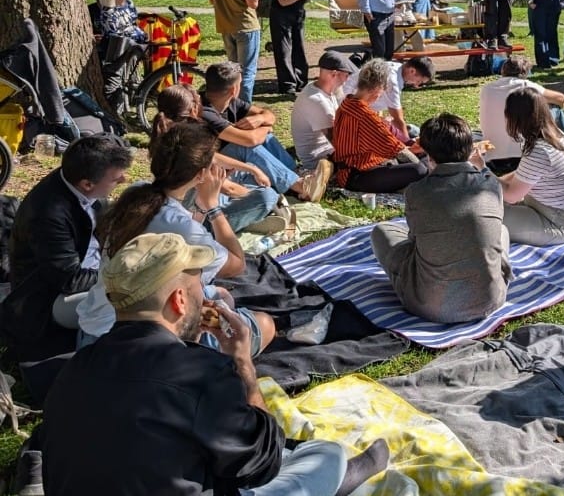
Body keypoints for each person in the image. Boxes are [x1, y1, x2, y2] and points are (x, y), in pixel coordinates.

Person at [39, 232, 390, 495]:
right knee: (324, 455)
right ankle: (338, 477)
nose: (204, 297)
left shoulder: (73, 368)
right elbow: (262, 465)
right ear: (179, 301)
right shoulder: (201, 372)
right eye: (198, 288)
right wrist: (242, 363)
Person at [76, 122, 275, 355]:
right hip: (142, 347)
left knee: (221, 295)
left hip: (93, 328)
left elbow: (183, 226)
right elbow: (237, 265)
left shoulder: (136, 194)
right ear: (201, 174)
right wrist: (213, 207)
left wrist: (201, 207)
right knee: (265, 324)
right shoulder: (179, 225)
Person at [0, 134, 134, 361]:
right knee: (129, 303)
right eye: (115, 179)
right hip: (46, 301)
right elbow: (70, 279)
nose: (123, 180)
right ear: (87, 184)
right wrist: (119, 275)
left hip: (86, 272)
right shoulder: (49, 215)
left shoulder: (79, 180)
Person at [370, 114, 511, 323]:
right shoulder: (491, 185)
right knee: (502, 231)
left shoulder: (417, 192)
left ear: (429, 156)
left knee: (381, 232)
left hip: (429, 306)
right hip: (490, 300)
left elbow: (414, 241)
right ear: (470, 150)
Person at [150, 83, 279, 232]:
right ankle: (243, 217)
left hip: (193, 205)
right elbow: (228, 189)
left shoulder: (168, 137)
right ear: (193, 110)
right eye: (199, 100)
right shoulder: (191, 144)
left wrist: (252, 170)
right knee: (267, 196)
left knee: (245, 171)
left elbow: (214, 158)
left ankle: (246, 215)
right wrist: (265, 199)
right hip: (196, 220)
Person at [200, 61, 332, 201]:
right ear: (234, 89)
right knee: (246, 147)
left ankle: (296, 176)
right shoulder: (204, 112)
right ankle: (302, 187)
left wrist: (261, 119)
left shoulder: (229, 101)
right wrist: (266, 126)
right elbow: (250, 140)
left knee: (265, 138)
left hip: (227, 161)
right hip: (211, 165)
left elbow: (269, 115)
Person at [498, 88, 564, 247]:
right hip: (550, 211)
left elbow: (511, 196)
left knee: (484, 216)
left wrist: (482, 171)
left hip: (556, 223)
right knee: (489, 204)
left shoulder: (540, 151)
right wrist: (496, 180)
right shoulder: (554, 135)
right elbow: (524, 174)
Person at [332, 59, 428, 193]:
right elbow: (397, 150)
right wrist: (423, 167)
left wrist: (410, 144)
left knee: (421, 159)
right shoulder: (365, 115)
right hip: (355, 174)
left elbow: (388, 132)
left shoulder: (348, 101)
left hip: (357, 166)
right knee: (420, 169)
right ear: (378, 89)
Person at [478, 55, 564, 169]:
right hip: (524, 157)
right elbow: (561, 99)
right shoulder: (525, 85)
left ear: (503, 70)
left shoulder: (486, 88)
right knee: (555, 107)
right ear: (525, 72)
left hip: (493, 157)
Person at [208, 0, 261, 103]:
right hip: (246, 26)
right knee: (247, 73)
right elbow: (253, 2)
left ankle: (231, 107)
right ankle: (243, 110)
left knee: (233, 73)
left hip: (226, 26)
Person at [291, 51, 357, 171]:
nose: (346, 80)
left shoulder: (319, 88)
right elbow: (339, 143)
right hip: (319, 161)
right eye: (346, 76)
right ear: (334, 74)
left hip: (326, 151)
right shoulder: (318, 101)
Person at [343, 56, 435, 142]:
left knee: (414, 130)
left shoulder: (396, 68)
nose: (417, 85)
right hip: (354, 116)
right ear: (412, 71)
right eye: (419, 81)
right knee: (414, 132)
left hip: (356, 110)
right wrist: (408, 143)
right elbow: (397, 119)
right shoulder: (393, 81)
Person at [269, 0, 321, 95]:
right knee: (284, 51)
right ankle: (287, 85)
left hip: (298, 17)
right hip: (281, 18)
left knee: (299, 49)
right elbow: (283, 0)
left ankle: (301, 81)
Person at [97, 0, 148, 112]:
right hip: (116, 50)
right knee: (114, 81)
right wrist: (137, 33)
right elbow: (115, 34)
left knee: (131, 77)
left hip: (134, 46)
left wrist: (138, 33)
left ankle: (131, 106)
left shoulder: (129, 4)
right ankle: (113, 112)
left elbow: (133, 24)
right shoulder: (107, 12)